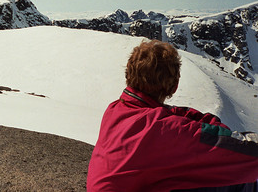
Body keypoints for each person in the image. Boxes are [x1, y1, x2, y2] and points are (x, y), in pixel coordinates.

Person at [87, 40, 258, 192]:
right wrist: (214, 127)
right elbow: (241, 149)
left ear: (129, 75)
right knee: (242, 181)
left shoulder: (116, 109)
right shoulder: (166, 129)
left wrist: (203, 121)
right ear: (174, 86)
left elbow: (169, 114)